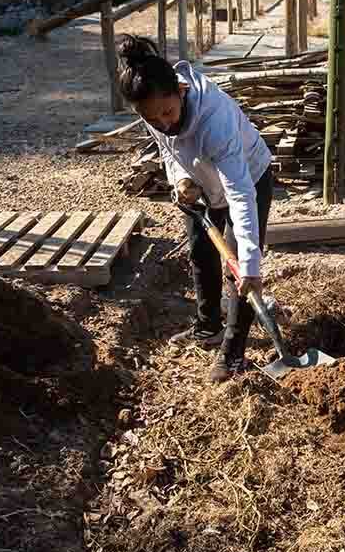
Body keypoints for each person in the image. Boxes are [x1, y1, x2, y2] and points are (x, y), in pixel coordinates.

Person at [116, 35, 273, 383]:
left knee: (238, 267)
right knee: (200, 251)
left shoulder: (215, 121)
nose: (164, 122)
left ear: (181, 91)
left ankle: (233, 351)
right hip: (202, 182)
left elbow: (240, 193)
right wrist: (181, 179)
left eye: (168, 112)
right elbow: (169, 146)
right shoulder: (153, 108)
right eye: (153, 118)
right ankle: (208, 326)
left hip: (250, 178)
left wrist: (249, 265)